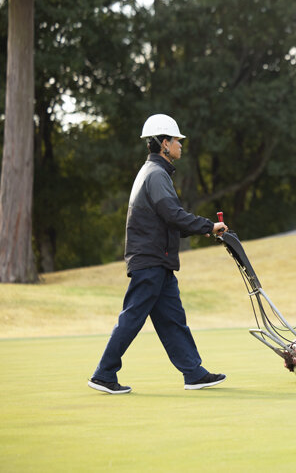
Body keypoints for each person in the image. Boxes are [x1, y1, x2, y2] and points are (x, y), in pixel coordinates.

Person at [88, 114, 228, 394]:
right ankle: (104, 374)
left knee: (173, 320)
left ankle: (193, 373)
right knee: (132, 318)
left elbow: (168, 220)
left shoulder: (151, 173)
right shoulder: (156, 175)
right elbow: (173, 215)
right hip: (150, 261)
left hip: (158, 262)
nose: (180, 145)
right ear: (164, 143)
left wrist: (203, 229)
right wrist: (208, 226)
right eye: (177, 140)